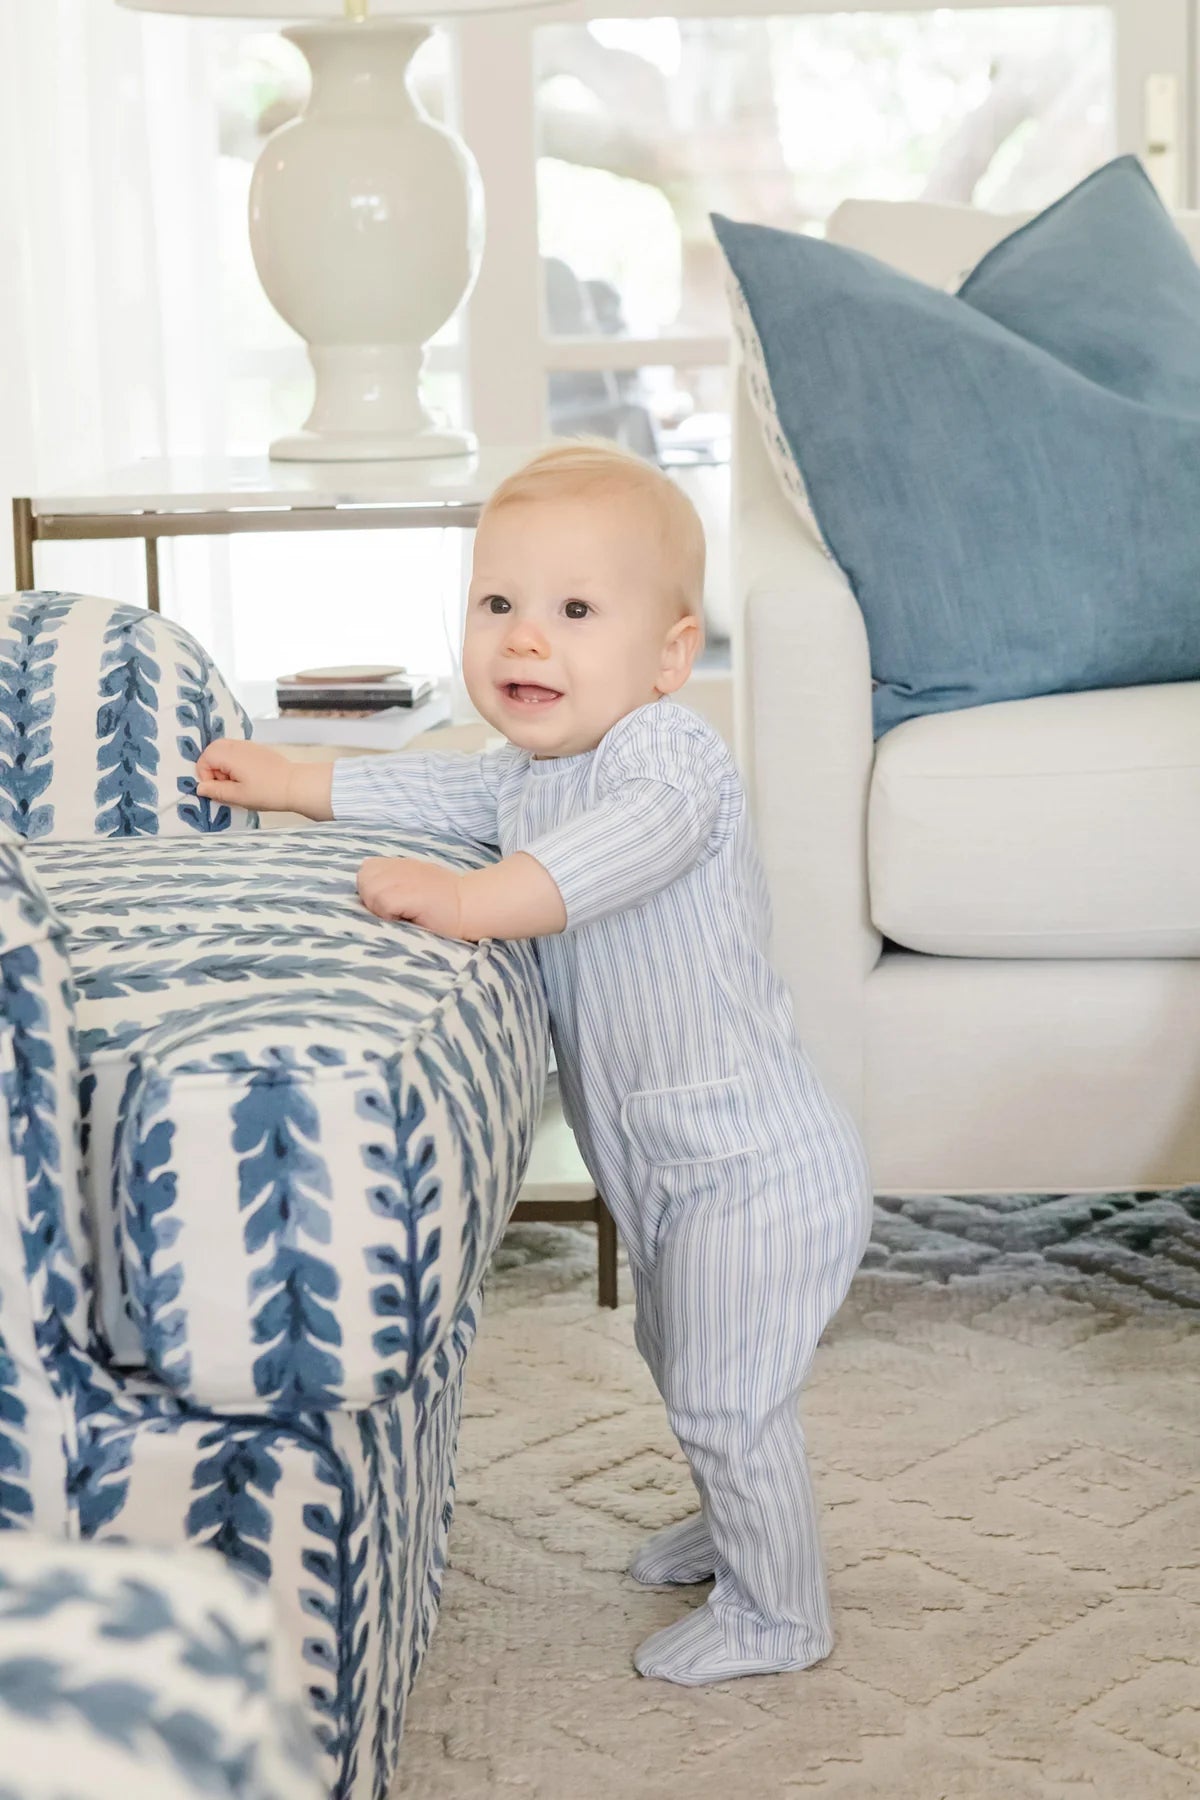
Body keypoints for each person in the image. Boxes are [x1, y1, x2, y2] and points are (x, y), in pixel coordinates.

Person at [195, 440, 873, 1687]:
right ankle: (736, 1529)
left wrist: (468, 906)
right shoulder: (527, 776)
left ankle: (783, 1615)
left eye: (573, 612)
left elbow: (614, 855)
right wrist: (293, 779)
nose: (524, 642)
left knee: (728, 1395)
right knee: (683, 1367)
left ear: (669, 657)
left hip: (756, 1169)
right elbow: (436, 798)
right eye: (497, 605)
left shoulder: (669, 759)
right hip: (670, 1169)